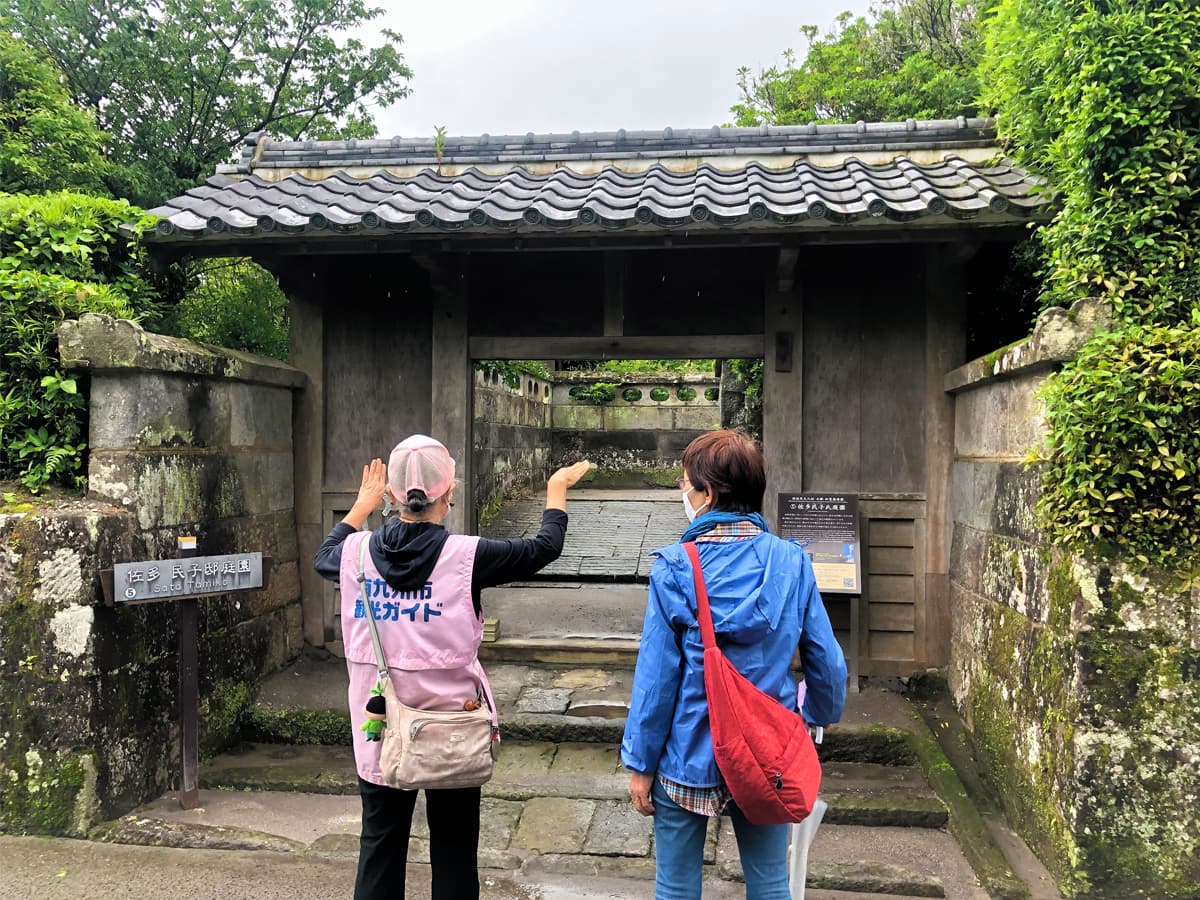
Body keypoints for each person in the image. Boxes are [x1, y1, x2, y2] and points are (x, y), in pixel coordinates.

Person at [314, 434, 591, 900]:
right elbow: (544, 547)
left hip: (380, 728)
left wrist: (361, 507)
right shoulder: (468, 557)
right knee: (456, 852)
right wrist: (556, 487)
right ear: (450, 491)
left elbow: (323, 556)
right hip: (454, 730)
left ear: (392, 494)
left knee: (379, 847)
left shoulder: (353, 554)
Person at [621, 429, 847, 900]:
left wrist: (640, 762)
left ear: (707, 494)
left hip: (687, 753)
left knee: (675, 887)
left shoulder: (675, 567)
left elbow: (656, 680)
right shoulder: (792, 562)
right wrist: (817, 715)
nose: (683, 493)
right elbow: (826, 661)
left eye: (685, 484)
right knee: (770, 883)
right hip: (768, 755)